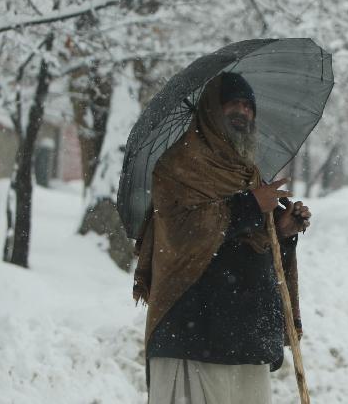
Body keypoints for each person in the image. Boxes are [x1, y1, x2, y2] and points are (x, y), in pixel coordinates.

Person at [132, 72, 312, 404]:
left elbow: (248, 236)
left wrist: (281, 229)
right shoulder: (178, 166)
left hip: (243, 329)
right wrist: (251, 204)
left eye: (248, 106)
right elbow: (182, 231)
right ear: (212, 111)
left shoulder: (248, 171)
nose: (243, 112)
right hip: (194, 326)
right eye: (233, 103)